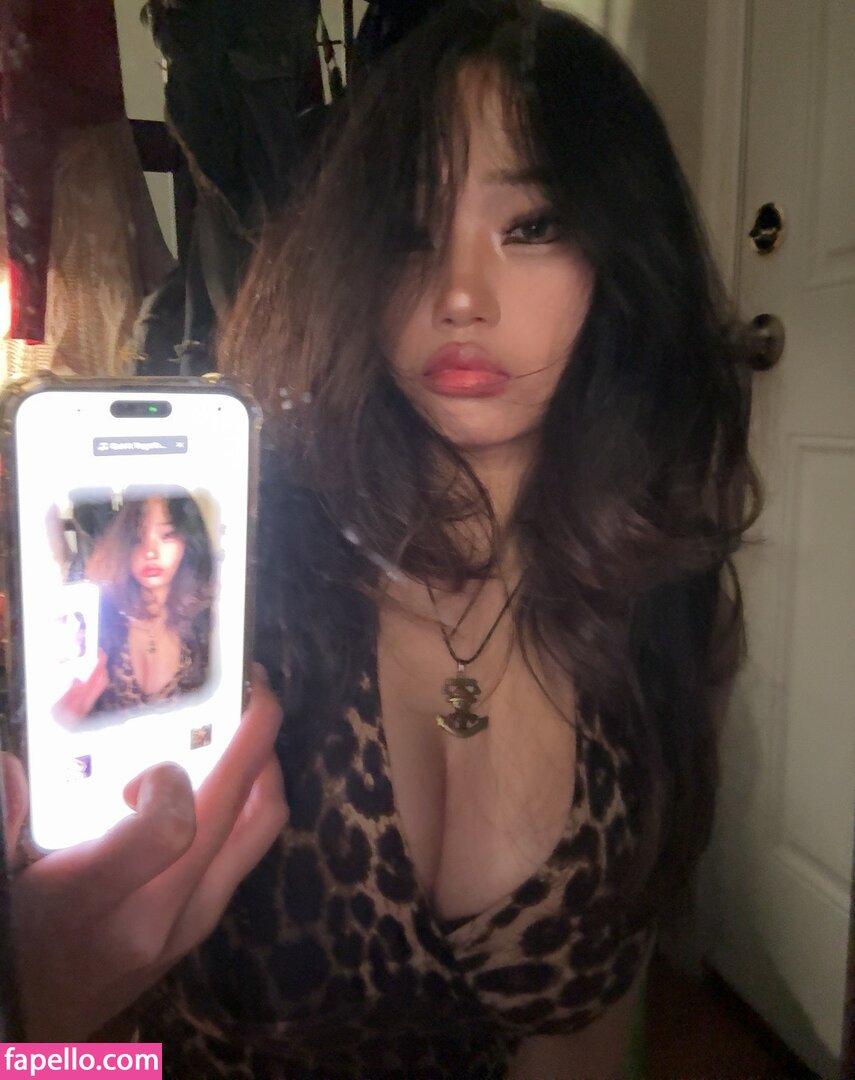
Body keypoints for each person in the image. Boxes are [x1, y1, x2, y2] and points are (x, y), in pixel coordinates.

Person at [4, 1, 759, 1075]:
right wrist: (31, 1022)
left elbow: (587, 1031)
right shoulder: (235, 565)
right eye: (409, 229)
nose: (459, 295)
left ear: (620, 258)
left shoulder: (658, 599)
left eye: (532, 226)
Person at [80, 488, 213, 717]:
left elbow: (254, 698)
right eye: (138, 537)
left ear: (188, 541)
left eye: (167, 535)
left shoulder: (207, 619)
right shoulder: (102, 618)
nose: (151, 552)